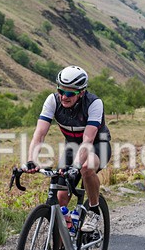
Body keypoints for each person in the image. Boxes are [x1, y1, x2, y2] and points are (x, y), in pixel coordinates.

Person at [25, 65, 111, 232]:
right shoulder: (52, 100)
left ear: (81, 92)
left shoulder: (94, 103)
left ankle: (93, 210)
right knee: (61, 196)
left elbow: (88, 139)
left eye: (70, 93)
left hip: (97, 145)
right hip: (72, 147)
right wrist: (31, 160)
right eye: (61, 91)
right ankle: (66, 239)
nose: (64, 96)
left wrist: (76, 166)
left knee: (86, 168)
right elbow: (40, 134)